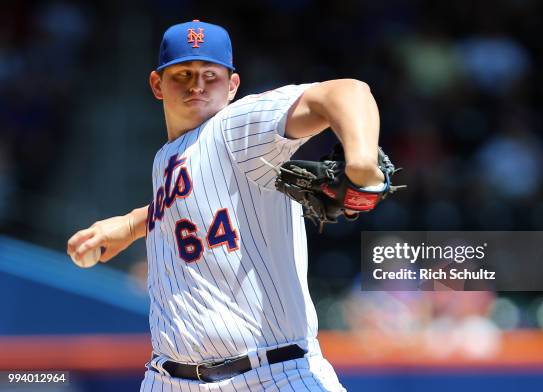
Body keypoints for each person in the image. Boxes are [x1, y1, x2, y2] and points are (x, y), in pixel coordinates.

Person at [67, 19, 384, 391]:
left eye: (210, 74)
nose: (197, 85)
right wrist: (132, 223)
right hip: (169, 379)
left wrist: (362, 161)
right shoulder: (167, 158)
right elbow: (191, 201)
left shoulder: (236, 126)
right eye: (183, 74)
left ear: (232, 85)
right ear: (157, 84)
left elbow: (347, 91)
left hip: (271, 374)